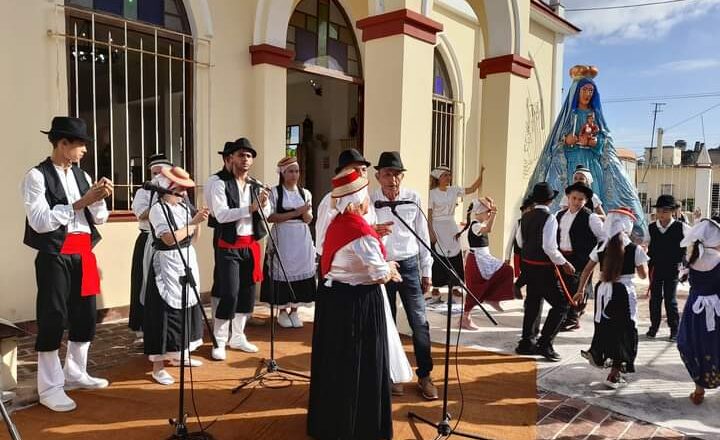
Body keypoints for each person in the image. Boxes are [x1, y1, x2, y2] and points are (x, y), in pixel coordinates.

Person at [23, 116, 112, 412]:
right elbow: (39, 221)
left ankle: (75, 373)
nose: (84, 150)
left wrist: (98, 199)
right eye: (80, 145)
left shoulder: (82, 176)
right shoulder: (36, 176)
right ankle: (49, 387)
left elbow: (99, 218)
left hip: (83, 251)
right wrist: (78, 204)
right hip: (55, 254)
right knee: (52, 317)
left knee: (86, 314)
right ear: (62, 144)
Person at [307, 168, 400, 440]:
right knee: (360, 364)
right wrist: (390, 269)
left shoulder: (339, 222)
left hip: (335, 301)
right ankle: (360, 427)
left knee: (337, 364)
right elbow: (378, 274)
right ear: (360, 200)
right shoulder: (360, 231)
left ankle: (331, 422)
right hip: (357, 303)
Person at [525, 65, 646, 239]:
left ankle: (593, 231)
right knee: (572, 196)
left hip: (591, 163)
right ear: (577, 92)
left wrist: (595, 142)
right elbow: (556, 141)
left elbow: (606, 140)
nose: (588, 94)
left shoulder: (595, 115)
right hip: (572, 161)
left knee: (592, 195)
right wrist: (567, 140)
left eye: (591, 90)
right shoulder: (569, 115)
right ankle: (566, 231)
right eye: (585, 89)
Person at [370, 151, 438, 400]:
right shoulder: (370, 200)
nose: (393, 179)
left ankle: (425, 375)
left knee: (419, 322)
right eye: (388, 174)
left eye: (397, 174)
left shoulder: (413, 198)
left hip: (409, 267)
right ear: (378, 176)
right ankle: (392, 375)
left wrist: (426, 271)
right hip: (383, 266)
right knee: (385, 324)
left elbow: (422, 236)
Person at [144, 166, 209, 385]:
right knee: (164, 312)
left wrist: (196, 220)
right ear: (170, 188)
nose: (184, 193)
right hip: (167, 262)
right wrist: (193, 223)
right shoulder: (157, 210)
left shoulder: (182, 208)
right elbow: (169, 239)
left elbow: (193, 238)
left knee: (186, 307)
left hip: (186, 259)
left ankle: (180, 353)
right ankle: (158, 366)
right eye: (181, 189)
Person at [206, 138, 270, 360]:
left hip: (250, 245)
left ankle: (239, 336)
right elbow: (221, 214)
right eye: (241, 155)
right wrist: (251, 207)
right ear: (230, 158)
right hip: (228, 245)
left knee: (247, 293)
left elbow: (266, 212)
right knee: (229, 292)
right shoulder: (217, 182)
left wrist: (263, 203)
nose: (245, 159)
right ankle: (220, 340)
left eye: (249, 155)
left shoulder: (255, 184)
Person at [575, 208, 648, 389]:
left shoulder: (601, 246)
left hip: (603, 290)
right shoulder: (634, 248)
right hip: (623, 292)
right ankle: (615, 372)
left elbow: (587, 270)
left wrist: (580, 290)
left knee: (605, 325)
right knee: (625, 330)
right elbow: (643, 275)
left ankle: (599, 353)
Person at [514, 183, 575, 361]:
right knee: (562, 304)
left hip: (528, 267)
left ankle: (527, 342)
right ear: (550, 200)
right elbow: (549, 247)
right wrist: (564, 263)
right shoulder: (550, 218)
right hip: (543, 269)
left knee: (533, 303)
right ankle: (545, 343)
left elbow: (519, 240)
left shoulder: (525, 216)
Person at [260, 156, 316, 328]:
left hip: (301, 237)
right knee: (283, 269)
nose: (294, 175)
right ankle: (282, 310)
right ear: (283, 174)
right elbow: (271, 217)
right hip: (283, 236)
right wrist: (296, 212)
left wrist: (305, 213)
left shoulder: (305, 193)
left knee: (300, 268)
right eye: (290, 171)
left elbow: (308, 219)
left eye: (296, 171)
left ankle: (294, 310)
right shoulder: (275, 193)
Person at [315, 148, 392, 260]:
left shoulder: (368, 199)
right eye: (355, 170)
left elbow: (370, 233)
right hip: (339, 267)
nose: (361, 174)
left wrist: (375, 234)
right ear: (343, 174)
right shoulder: (331, 201)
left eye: (364, 170)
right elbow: (322, 243)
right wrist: (366, 233)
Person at [676, 218, 720, 405]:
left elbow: (684, 278)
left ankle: (699, 388)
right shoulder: (718, 260)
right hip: (717, 308)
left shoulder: (692, 258)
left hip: (695, 310)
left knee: (694, 343)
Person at [129, 153, 173, 340]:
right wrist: (160, 201)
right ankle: (144, 327)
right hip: (148, 239)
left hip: (170, 242)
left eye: (161, 174)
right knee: (145, 284)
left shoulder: (175, 191)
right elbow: (141, 214)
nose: (157, 178)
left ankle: (168, 327)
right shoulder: (143, 192)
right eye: (154, 173)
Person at [427, 165, 484, 303]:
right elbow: (429, 215)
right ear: (438, 177)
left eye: (449, 175)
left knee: (455, 254)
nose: (448, 177)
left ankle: (455, 285)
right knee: (438, 255)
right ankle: (436, 286)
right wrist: (431, 232)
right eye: (445, 175)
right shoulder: (432, 193)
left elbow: (472, 189)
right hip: (437, 225)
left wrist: (482, 173)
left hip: (451, 225)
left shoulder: (454, 190)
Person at [457, 197, 515, 330]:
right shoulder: (476, 225)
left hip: (483, 258)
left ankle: (493, 298)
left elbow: (487, 228)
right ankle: (465, 318)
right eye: (487, 211)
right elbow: (488, 229)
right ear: (480, 212)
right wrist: (494, 213)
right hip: (477, 260)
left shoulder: (478, 225)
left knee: (506, 271)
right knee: (475, 289)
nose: (489, 214)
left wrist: (491, 210)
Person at [557, 182, 604, 331]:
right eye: (574, 198)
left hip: (582, 258)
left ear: (585, 201)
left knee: (577, 288)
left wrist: (593, 257)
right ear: (568, 198)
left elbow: (603, 238)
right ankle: (565, 316)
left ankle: (573, 318)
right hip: (563, 257)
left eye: (580, 199)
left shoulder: (591, 217)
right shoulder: (559, 215)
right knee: (563, 288)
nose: (576, 202)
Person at [646, 195, 690, 342]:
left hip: (673, 268)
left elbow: (695, 239)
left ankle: (674, 329)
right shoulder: (651, 227)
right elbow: (645, 243)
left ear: (673, 212)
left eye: (665, 211)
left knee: (670, 299)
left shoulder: (681, 227)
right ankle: (654, 327)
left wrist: (686, 262)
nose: (662, 214)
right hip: (655, 268)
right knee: (655, 298)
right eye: (659, 210)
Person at [504, 197, 535, 299]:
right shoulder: (518, 223)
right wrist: (507, 258)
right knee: (528, 273)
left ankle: (519, 288)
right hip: (521, 255)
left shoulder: (535, 223)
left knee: (529, 275)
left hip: (531, 254)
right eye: (527, 209)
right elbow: (511, 242)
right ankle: (517, 286)